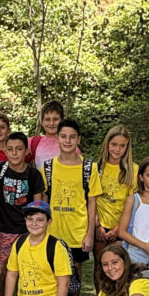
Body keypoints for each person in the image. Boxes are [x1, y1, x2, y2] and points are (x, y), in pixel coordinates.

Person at [0, 132, 45, 296]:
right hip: (5, 229)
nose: (14, 153)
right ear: (5, 150)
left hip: (27, 230)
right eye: (10, 149)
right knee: (1, 270)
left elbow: (37, 206)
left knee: (27, 270)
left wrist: (35, 229)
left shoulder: (33, 175)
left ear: (26, 151)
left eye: (19, 149)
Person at [40, 119, 101, 279]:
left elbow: (92, 202)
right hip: (53, 232)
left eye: (72, 137)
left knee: (75, 276)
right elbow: (44, 202)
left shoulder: (89, 168)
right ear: (57, 138)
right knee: (51, 274)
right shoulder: (47, 168)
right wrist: (42, 230)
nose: (67, 141)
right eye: (63, 136)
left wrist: (89, 234)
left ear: (78, 139)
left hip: (77, 233)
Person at [4, 201, 72, 296]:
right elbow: (12, 274)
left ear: (49, 222)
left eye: (40, 220)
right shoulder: (19, 243)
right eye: (30, 219)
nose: (34, 224)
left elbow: (64, 283)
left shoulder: (56, 247)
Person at [93, 125, 137, 293]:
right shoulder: (97, 168)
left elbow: (133, 203)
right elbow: (91, 199)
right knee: (100, 266)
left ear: (127, 147)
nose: (117, 149)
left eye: (122, 145)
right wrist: (97, 225)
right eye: (114, 144)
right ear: (107, 144)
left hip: (121, 227)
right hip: (100, 226)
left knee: (119, 267)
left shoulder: (133, 170)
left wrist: (119, 228)